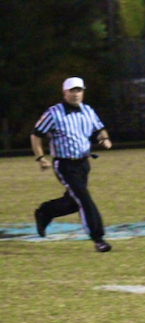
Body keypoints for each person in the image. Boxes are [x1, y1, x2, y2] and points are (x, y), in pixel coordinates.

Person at [31, 77, 113, 252]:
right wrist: (40, 157)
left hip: (83, 163)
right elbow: (36, 134)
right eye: (72, 91)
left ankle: (45, 211)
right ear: (65, 93)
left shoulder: (88, 111)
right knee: (84, 199)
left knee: (74, 202)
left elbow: (99, 129)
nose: (76, 94)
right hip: (65, 165)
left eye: (79, 90)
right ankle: (98, 239)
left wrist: (104, 138)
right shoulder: (54, 113)